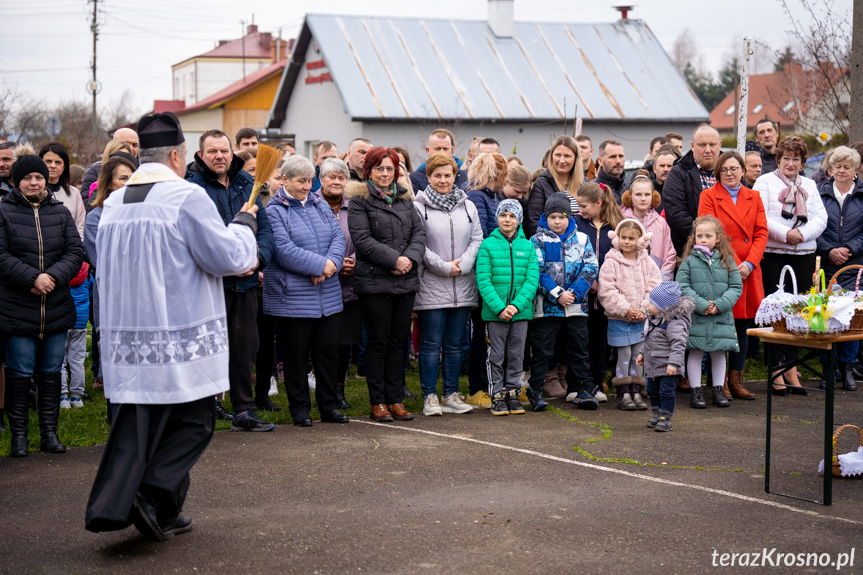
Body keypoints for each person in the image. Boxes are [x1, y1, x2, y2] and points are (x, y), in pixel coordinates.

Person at [84, 111, 260, 541]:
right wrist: (244, 224)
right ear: (179, 155)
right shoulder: (185, 196)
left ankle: (140, 507)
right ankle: (151, 493)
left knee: (139, 427)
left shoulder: (113, 204)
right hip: (177, 330)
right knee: (195, 421)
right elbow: (227, 259)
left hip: (127, 333)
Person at [185, 129, 275, 431]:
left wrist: (256, 259)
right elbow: (199, 237)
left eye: (223, 150)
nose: (219, 156)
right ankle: (206, 407)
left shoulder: (247, 183)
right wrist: (227, 261)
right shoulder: (191, 189)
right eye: (212, 151)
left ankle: (243, 410)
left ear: (231, 152)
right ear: (201, 155)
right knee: (208, 347)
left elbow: (264, 229)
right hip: (211, 284)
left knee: (245, 347)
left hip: (246, 282)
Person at [0, 155, 85, 457]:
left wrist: (53, 276)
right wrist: (33, 278)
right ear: (16, 181)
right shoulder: (4, 210)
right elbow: (2, 255)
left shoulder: (59, 213)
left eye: (38, 177)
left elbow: (76, 251)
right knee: (20, 372)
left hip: (56, 306)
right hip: (17, 307)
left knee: (51, 370)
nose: (34, 182)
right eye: (27, 178)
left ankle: (50, 432)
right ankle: (19, 436)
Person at [264, 155, 347, 426]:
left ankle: (329, 406)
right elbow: (283, 250)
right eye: (301, 181)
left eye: (310, 180)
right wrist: (319, 265)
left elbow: (337, 236)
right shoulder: (274, 210)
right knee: (296, 356)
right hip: (293, 297)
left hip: (327, 294)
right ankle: (300, 408)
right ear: (285, 180)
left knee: (327, 354)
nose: (307, 186)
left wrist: (331, 265)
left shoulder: (319, 203)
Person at [347, 147, 425, 422]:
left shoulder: (405, 200)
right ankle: (377, 401)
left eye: (389, 169)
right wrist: (394, 260)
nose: (384, 173)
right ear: (368, 170)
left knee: (398, 341)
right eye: (379, 168)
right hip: (375, 281)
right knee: (378, 341)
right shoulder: (360, 200)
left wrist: (409, 260)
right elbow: (363, 239)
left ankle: (396, 399)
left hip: (405, 282)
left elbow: (419, 234)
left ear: (396, 172)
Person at [753, 136, 827, 394]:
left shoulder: (809, 184)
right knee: (777, 313)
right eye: (787, 158)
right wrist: (786, 234)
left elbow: (820, 217)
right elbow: (760, 215)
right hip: (775, 253)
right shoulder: (765, 181)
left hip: (804, 254)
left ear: (803, 162)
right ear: (779, 159)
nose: (791, 163)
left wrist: (803, 235)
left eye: (796, 159)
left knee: (798, 313)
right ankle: (775, 370)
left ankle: (792, 369)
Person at [413, 153, 482, 416]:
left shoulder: (468, 206)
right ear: (429, 177)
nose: (443, 180)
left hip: (463, 285)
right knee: (431, 344)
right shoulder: (419, 207)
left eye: (448, 175)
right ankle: (429, 395)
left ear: (455, 176)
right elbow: (420, 244)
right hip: (432, 284)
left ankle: (451, 393)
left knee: (455, 344)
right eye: (437, 175)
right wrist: (444, 266)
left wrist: (463, 264)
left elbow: (477, 238)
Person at [697, 151, 768, 400]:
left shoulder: (754, 196)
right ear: (718, 172)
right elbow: (708, 231)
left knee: (742, 325)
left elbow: (761, 232)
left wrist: (750, 263)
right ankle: (718, 382)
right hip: (721, 268)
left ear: (742, 170)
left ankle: (736, 379)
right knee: (720, 326)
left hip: (749, 270)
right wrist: (735, 263)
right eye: (725, 169)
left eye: (734, 168)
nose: (730, 173)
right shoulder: (708, 196)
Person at [528, 192, 598, 411]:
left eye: (562, 217)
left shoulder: (582, 239)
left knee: (578, 349)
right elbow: (538, 271)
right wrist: (558, 293)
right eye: (553, 217)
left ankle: (584, 389)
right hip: (547, 308)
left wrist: (575, 292)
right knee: (543, 350)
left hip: (576, 307)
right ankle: (536, 389)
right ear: (546, 218)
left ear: (569, 217)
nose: (557, 221)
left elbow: (591, 267)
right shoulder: (537, 240)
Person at [475, 199, 539, 416]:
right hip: (495, 314)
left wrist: (515, 306)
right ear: (497, 218)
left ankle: (512, 391)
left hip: (520, 314)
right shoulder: (487, 245)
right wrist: (501, 307)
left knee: (516, 354)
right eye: (503, 215)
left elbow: (531, 280)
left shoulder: (528, 246)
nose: (507, 220)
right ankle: (497, 394)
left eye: (512, 216)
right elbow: (484, 280)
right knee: (496, 355)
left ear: (519, 219)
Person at [676, 215, 743, 409]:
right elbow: (682, 285)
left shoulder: (727, 260)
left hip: (721, 315)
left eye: (708, 235)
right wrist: (702, 304)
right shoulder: (688, 262)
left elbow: (736, 286)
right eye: (700, 235)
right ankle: (696, 392)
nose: (703, 239)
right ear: (694, 237)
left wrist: (720, 304)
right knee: (695, 352)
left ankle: (718, 390)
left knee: (719, 353)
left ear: (718, 238)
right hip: (697, 315)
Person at [598, 218, 661, 411]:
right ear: (617, 239)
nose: (626, 241)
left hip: (641, 319)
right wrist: (626, 309)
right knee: (623, 354)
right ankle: (623, 391)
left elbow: (655, 286)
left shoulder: (648, 263)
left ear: (641, 240)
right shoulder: (610, 262)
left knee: (639, 355)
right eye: (623, 237)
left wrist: (643, 309)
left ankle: (636, 389)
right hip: (619, 318)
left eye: (631, 238)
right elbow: (607, 290)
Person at [816, 145, 863, 391]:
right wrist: (828, 250)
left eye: (848, 167)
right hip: (826, 263)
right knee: (827, 316)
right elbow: (813, 225)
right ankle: (828, 368)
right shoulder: (819, 194)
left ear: (856, 170)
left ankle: (847, 367)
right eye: (838, 166)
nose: (842, 170)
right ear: (831, 169)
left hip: (855, 264)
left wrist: (849, 248)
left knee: (853, 317)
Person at [464, 152, 508, 408]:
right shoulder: (478, 197)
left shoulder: (493, 197)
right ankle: (476, 386)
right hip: (484, 275)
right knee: (481, 335)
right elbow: (485, 234)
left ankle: (493, 384)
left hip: (495, 272)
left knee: (491, 335)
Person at [575, 182, 624, 400]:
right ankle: (578, 384)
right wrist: (588, 281)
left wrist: (604, 283)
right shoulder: (576, 224)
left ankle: (597, 382)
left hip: (608, 294)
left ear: (598, 203)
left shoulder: (617, 226)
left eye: (584, 205)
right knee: (580, 340)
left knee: (601, 340)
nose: (580, 210)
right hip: (582, 293)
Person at [318, 158, 360, 409]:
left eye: (341, 177)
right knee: (325, 343)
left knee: (345, 343)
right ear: (321, 180)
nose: (336, 182)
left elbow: (364, 237)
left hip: (350, 285)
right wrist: (331, 263)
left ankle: (338, 389)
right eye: (331, 177)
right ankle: (324, 390)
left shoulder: (354, 207)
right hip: (321, 282)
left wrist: (354, 260)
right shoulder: (312, 203)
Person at [637, 281, 694, 432]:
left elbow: (678, 343)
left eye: (652, 303)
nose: (648, 305)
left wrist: (674, 364)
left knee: (666, 391)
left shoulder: (674, 323)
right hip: (653, 364)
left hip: (668, 366)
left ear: (664, 308)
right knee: (652, 390)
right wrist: (642, 353)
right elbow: (648, 339)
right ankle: (657, 413)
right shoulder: (654, 319)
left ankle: (665, 417)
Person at [663, 125, 723, 255]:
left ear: (720, 145)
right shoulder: (678, 172)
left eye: (712, 144)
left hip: (730, 248)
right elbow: (676, 213)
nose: (708, 150)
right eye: (702, 145)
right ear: (692, 145)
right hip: (690, 250)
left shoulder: (732, 169)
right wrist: (705, 238)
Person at [621, 172, 676, 280]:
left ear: (653, 197)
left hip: (656, 280)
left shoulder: (661, 223)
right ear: (630, 197)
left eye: (647, 194)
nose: (643, 198)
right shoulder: (622, 221)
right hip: (628, 280)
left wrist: (662, 280)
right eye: (638, 194)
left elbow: (669, 254)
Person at [526, 135, 584, 237]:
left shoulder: (583, 184)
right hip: (550, 246)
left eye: (567, 156)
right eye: (558, 155)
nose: (561, 160)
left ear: (576, 158)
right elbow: (533, 222)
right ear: (551, 156)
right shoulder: (542, 183)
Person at [60, 262, 91, 409]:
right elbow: (91, 293)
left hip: (63, 320)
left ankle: (63, 396)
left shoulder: (61, 270)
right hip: (80, 322)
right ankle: (77, 397)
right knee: (77, 360)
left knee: (61, 361)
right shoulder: (86, 272)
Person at [40, 142, 86, 237]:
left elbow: (80, 226)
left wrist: (76, 248)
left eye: (58, 162)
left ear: (64, 166)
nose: (53, 166)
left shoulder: (74, 193)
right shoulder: (32, 191)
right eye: (48, 161)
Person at [81, 128, 140, 193]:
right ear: (114, 145)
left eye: (135, 145)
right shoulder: (95, 171)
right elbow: (88, 200)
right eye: (126, 144)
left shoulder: (143, 171)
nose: (131, 148)